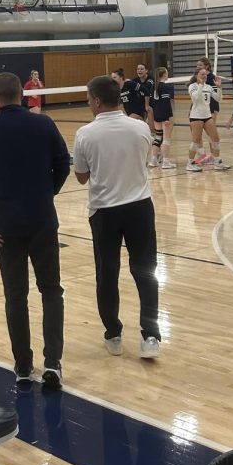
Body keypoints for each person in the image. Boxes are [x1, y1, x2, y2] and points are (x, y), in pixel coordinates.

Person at [0, 72, 70, 388]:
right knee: (51, 290)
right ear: (23, 94)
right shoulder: (43, 124)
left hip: (5, 226)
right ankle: (52, 364)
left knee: (16, 296)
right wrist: (48, 193)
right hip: (42, 219)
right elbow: (63, 163)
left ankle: (23, 366)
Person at [73, 75, 161, 359]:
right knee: (145, 272)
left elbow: (81, 178)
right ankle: (150, 337)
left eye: (88, 99)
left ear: (97, 100)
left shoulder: (85, 134)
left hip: (105, 212)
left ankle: (113, 334)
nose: (88, 103)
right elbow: (145, 159)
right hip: (140, 207)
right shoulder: (140, 127)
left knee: (107, 273)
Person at [187, 66, 228, 172]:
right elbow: (195, 98)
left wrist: (219, 88)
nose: (205, 76)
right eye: (202, 74)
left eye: (205, 74)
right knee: (196, 140)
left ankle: (217, 161)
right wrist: (200, 85)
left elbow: (218, 99)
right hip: (196, 116)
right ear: (197, 76)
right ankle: (190, 163)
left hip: (207, 116)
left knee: (216, 138)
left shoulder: (209, 87)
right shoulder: (193, 86)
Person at [149, 67, 176, 170]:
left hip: (157, 116)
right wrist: (167, 117)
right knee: (166, 139)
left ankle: (153, 160)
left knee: (158, 137)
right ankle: (166, 162)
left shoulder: (153, 86)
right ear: (164, 74)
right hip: (165, 116)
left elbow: (152, 103)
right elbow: (165, 103)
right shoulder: (164, 87)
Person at [198, 56, 222, 122]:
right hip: (201, 105)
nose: (198, 66)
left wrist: (213, 109)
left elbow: (215, 96)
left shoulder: (212, 78)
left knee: (211, 128)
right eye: (197, 65)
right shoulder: (197, 77)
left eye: (200, 65)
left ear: (207, 66)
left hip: (212, 105)